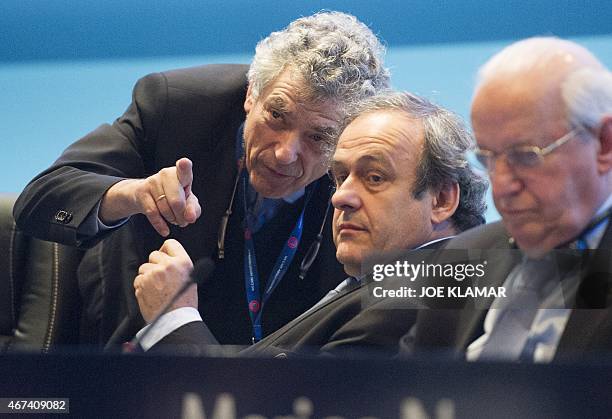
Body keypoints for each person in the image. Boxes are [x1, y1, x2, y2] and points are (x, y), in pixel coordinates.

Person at [12, 12, 391, 345]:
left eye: (319, 137)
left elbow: (437, 259)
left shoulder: (371, 159)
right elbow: (39, 200)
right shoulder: (178, 107)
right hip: (138, 365)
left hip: (283, 384)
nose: (284, 153)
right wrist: (133, 194)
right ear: (251, 95)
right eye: (277, 116)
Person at [132, 91, 487, 357]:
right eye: (340, 177)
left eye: (375, 178)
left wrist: (174, 322)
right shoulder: (384, 288)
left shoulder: (426, 297)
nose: (340, 197)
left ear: (441, 200)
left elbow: (275, 407)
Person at [404, 37, 612, 362]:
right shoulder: (461, 258)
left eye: (526, 157)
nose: (500, 188)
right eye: (487, 160)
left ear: (604, 144)